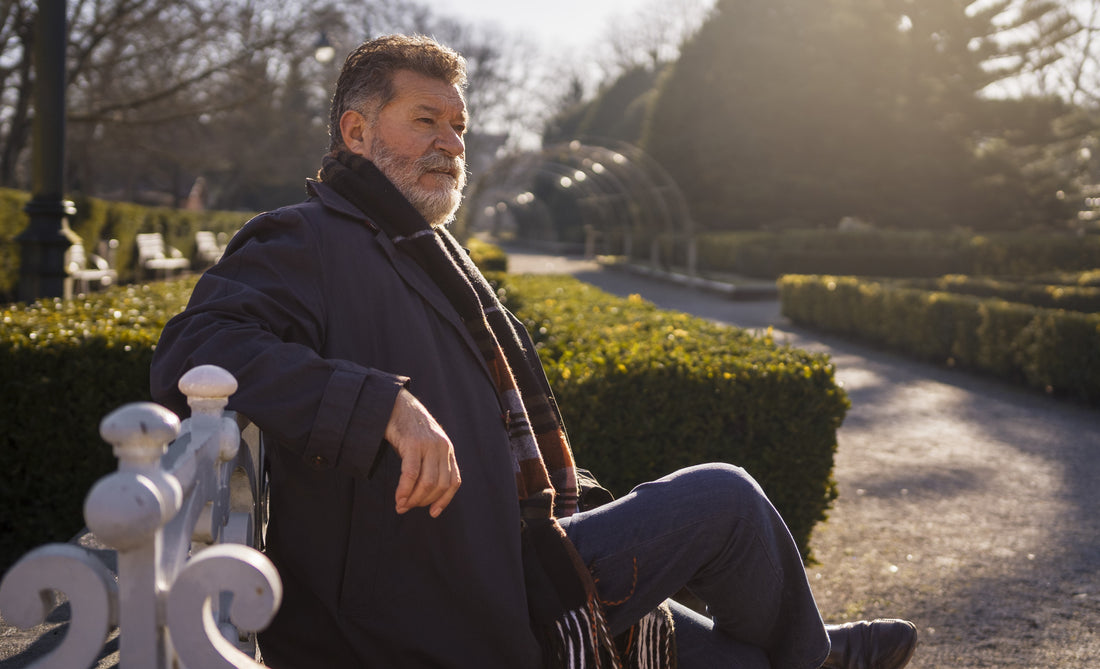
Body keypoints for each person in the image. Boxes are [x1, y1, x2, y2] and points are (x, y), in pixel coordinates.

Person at [149, 34, 918, 669]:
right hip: (430, 602)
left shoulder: (416, 249)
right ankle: (819, 658)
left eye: (460, 126)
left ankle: (811, 658)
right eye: (426, 120)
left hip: (499, 556)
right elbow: (195, 347)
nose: (451, 143)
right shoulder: (306, 239)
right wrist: (380, 402)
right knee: (726, 498)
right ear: (357, 132)